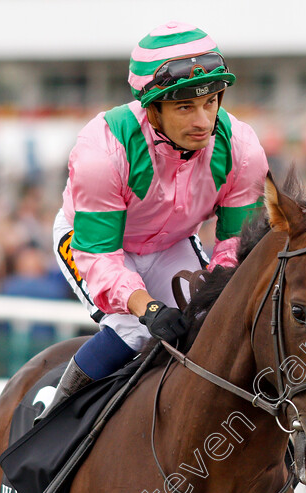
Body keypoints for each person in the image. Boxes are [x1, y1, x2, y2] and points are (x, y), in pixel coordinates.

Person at [36, 22, 268, 422]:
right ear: (152, 107)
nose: (203, 121)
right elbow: (101, 258)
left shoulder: (243, 149)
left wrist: (216, 293)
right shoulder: (103, 151)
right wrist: (148, 307)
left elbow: (234, 244)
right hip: (96, 244)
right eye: (184, 107)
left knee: (214, 325)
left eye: (211, 102)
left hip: (172, 244)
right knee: (133, 330)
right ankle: (51, 428)